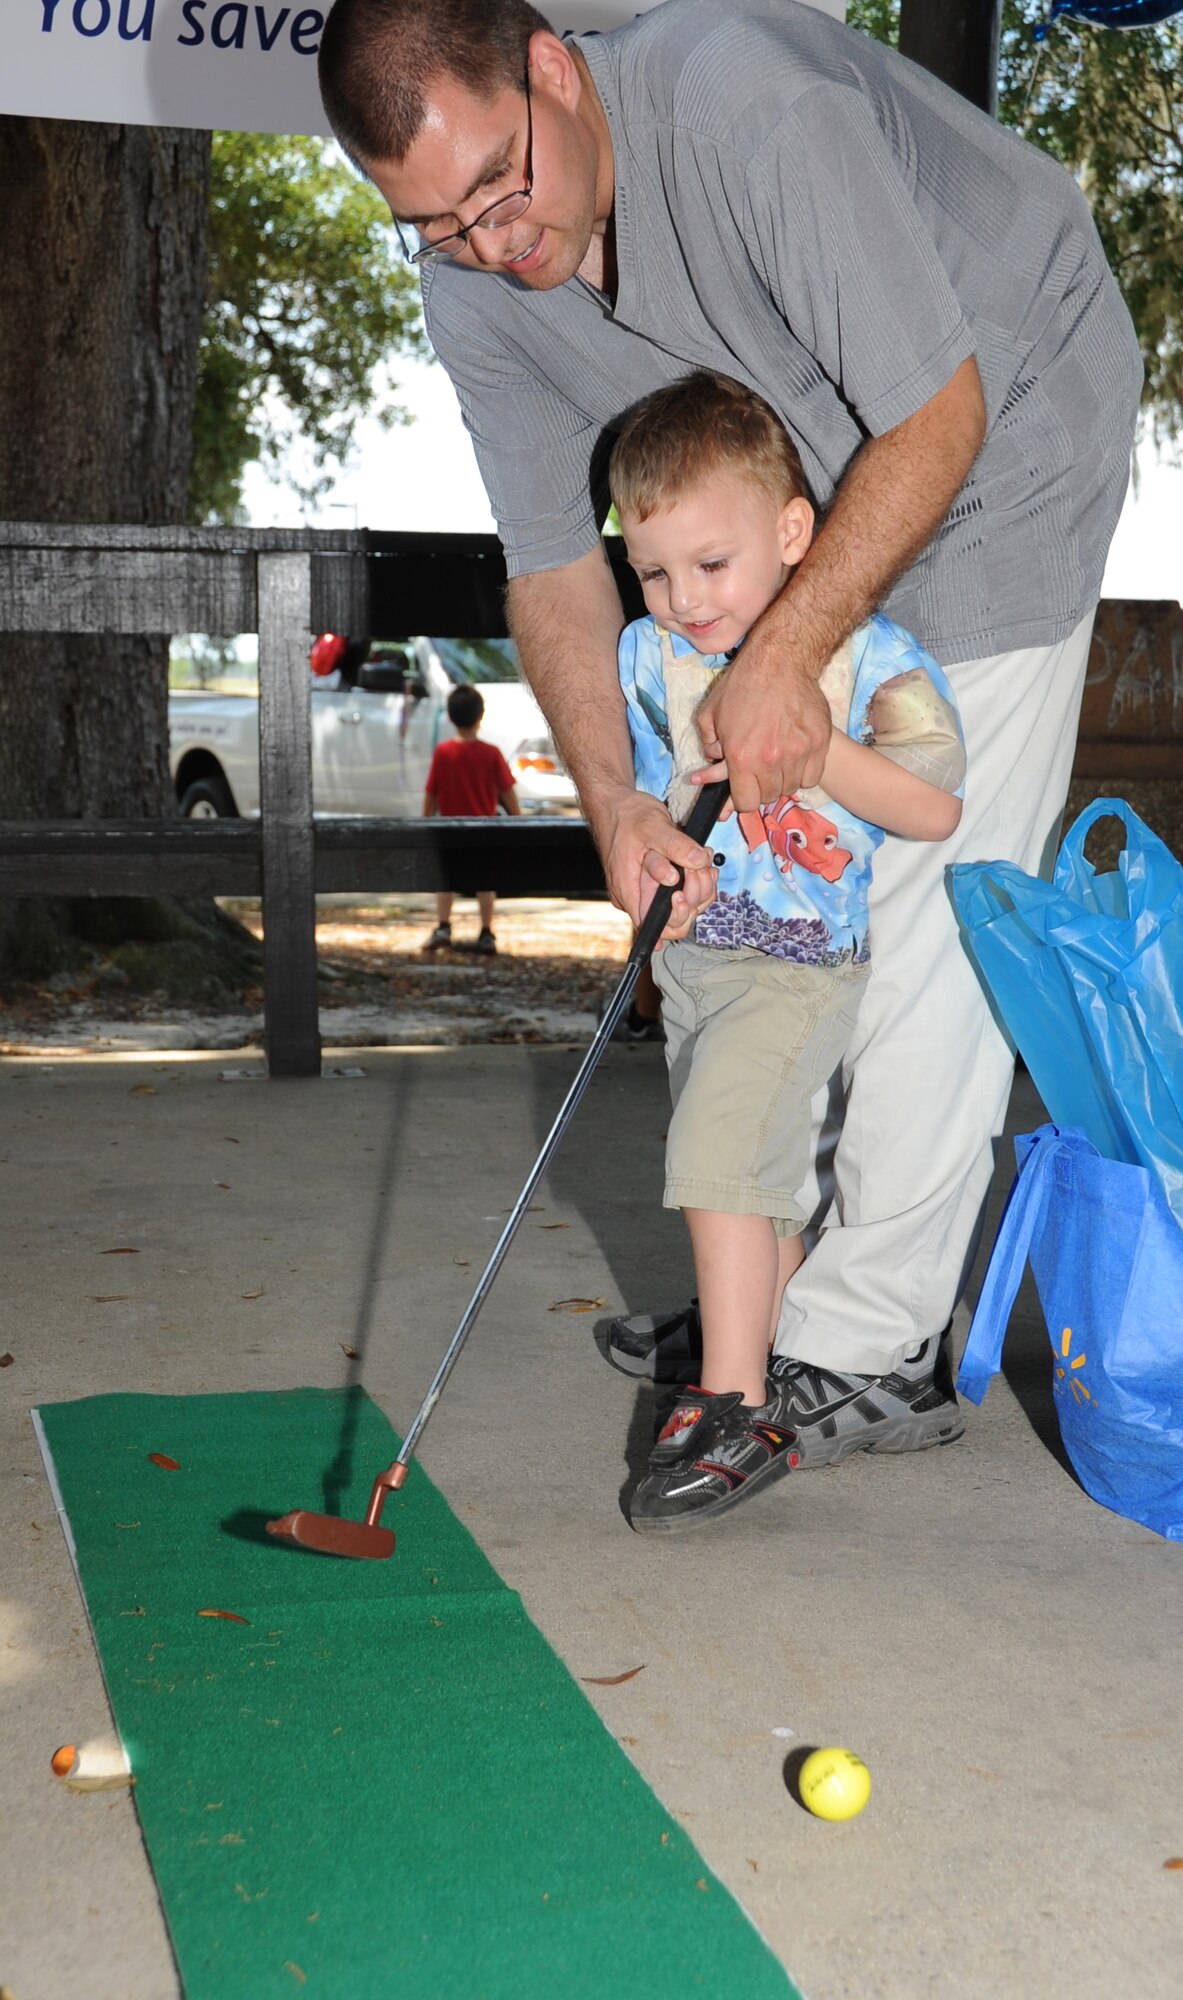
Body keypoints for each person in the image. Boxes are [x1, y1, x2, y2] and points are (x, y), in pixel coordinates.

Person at [318, 0, 1142, 1459]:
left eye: (504, 185)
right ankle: (773, 1285)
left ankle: (870, 1340)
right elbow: (556, 571)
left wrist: (797, 653)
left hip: (1000, 418)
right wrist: (616, 808)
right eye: (435, 224)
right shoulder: (470, 281)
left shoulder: (744, 110)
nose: (493, 246)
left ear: (553, 70)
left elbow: (932, 419)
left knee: (907, 892)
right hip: (800, 489)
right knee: (766, 898)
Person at [611, 371, 965, 1528]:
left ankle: (734, 1404)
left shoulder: (869, 652)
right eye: (654, 569)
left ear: (792, 531)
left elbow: (932, 807)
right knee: (753, 1198)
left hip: (801, 960)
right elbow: (647, 787)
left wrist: (811, 749)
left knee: (718, 1155)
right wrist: (657, 833)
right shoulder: (642, 657)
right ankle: (780, 1334)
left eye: (709, 565)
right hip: (697, 958)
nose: (681, 596)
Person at [422, 683, 521, 952]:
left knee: (445, 881)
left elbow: (431, 792)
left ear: (451, 717)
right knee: (485, 883)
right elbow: (507, 791)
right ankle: (486, 931)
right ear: (480, 715)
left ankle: (443, 926)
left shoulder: (443, 753)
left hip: (449, 832)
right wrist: (518, 818)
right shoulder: (491, 754)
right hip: (483, 831)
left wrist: (425, 821)